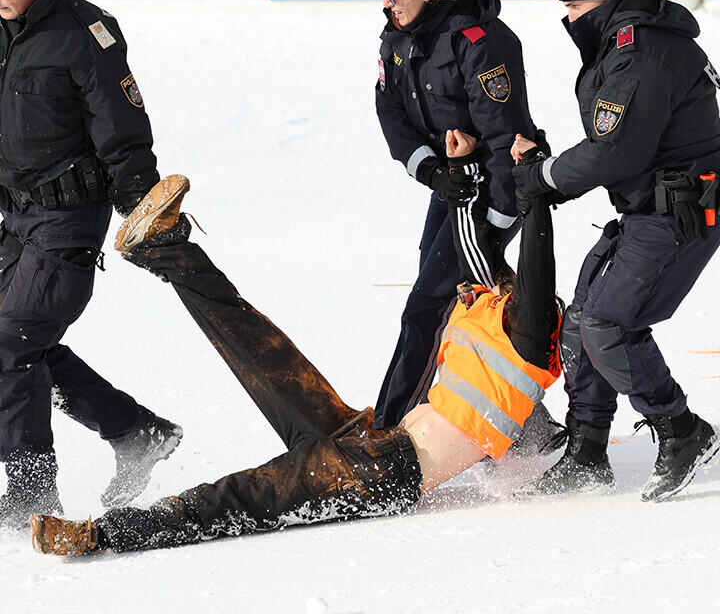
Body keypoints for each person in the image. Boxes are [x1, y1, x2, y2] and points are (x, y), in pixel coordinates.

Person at [29, 133, 563, 556]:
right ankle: (167, 247)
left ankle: (100, 535)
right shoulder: (492, 306)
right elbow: (474, 239)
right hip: (370, 434)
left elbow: (538, 262)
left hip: (378, 476)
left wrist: (535, 186)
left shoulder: (529, 342)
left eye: (517, 289)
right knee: (259, 347)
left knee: (236, 500)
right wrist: (465, 167)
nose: (500, 283)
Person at [512, 0, 720, 501]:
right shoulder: (628, 38)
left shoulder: (642, 50)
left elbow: (615, 151)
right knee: (583, 320)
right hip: (648, 207)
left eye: (574, 8)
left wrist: (547, 177)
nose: (569, 20)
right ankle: (588, 449)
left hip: (677, 212)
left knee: (609, 324)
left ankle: (682, 430)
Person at [0, 0, 182, 529]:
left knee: (13, 341)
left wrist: (143, 205)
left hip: (68, 216)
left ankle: (29, 493)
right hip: (14, 211)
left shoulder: (84, 33)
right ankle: (136, 431)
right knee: (22, 343)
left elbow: (122, 130)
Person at [373, 0, 548, 429]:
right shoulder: (399, 33)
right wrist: (430, 169)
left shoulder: (481, 42)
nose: (387, 4)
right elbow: (390, 109)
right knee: (458, 305)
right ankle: (532, 430)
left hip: (492, 192)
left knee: (430, 305)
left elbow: (505, 138)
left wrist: (494, 223)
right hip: (451, 183)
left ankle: (390, 429)